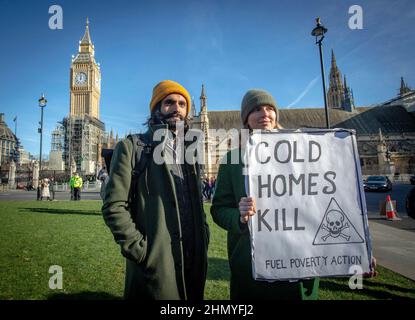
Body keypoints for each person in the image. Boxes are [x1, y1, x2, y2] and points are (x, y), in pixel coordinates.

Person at [102, 80, 209, 300]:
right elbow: (114, 206)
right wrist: (141, 251)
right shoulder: (132, 147)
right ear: (156, 108)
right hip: (156, 262)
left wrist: (203, 235)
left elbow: (196, 202)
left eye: (182, 104)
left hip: (193, 258)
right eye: (169, 102)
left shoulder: (190, 153)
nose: (176, 108)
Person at [211, 89, 320, 300]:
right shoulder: (233, 160)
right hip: (251, 269)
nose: (264, 114)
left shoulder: (304, 153)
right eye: (256, 110)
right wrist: (238, 217)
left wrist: (355, 250)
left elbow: (326, 200)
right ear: (246, 119)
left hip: (300, 266)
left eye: (270, 109)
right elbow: (218, 210)